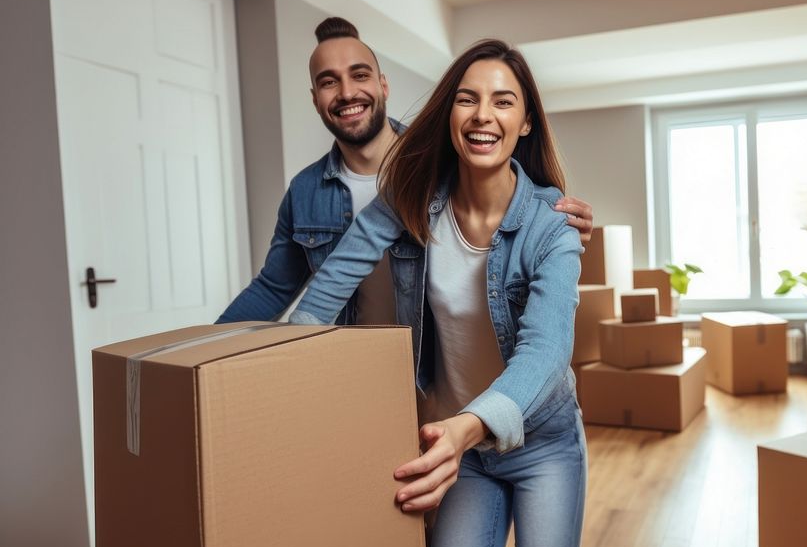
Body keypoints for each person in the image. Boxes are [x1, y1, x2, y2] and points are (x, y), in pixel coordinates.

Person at [289, 39, 587, 547]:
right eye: (467, 100)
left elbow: (546, 353)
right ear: (450, 113)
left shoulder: (552, 227)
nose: (482, 115)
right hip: (459, 450)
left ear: (525, 123)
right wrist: (272, 367)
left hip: (542, 445)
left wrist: (466, 427)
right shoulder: (411, 197)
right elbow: (332, 282)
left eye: (503, 102)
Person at [217, 17, 593, 324]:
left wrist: (556, 220)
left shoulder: (446, 163)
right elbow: (273, 288)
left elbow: (512, 198)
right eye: (329, 82)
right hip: (351, 368)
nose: (347, 93)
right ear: (315, 99)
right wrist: (197, 349)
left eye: (360, 75)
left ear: (383, 85)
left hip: (425, 370)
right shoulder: (305, 192)